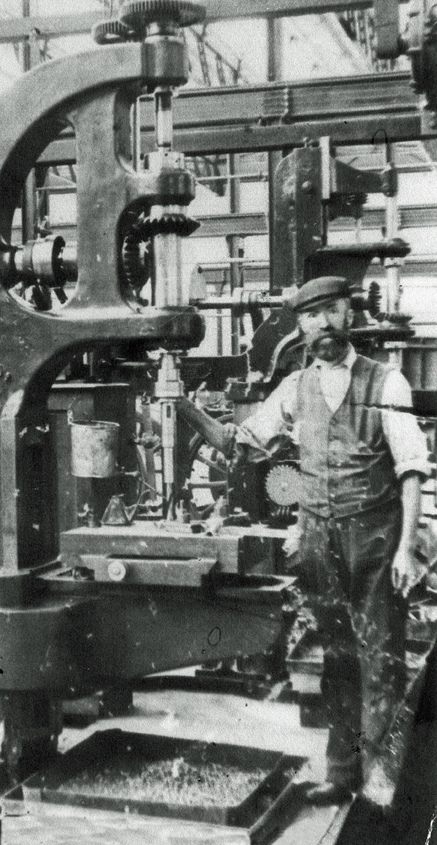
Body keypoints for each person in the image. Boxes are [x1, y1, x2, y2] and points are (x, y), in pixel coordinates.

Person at [177, 276, 431, 809]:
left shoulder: (387, 383)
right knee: (336, 657)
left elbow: (411, 470)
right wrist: (181, 405)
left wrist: (407, 547)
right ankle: (342, 772)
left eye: (331, 311)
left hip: (375, 536)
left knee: (381, 658)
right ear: (301, 327)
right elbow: (239, 445)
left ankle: (382, 786)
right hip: (318, 538)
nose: (322, 324)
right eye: (311, 316)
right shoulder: (295, 388)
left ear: (348, 315)